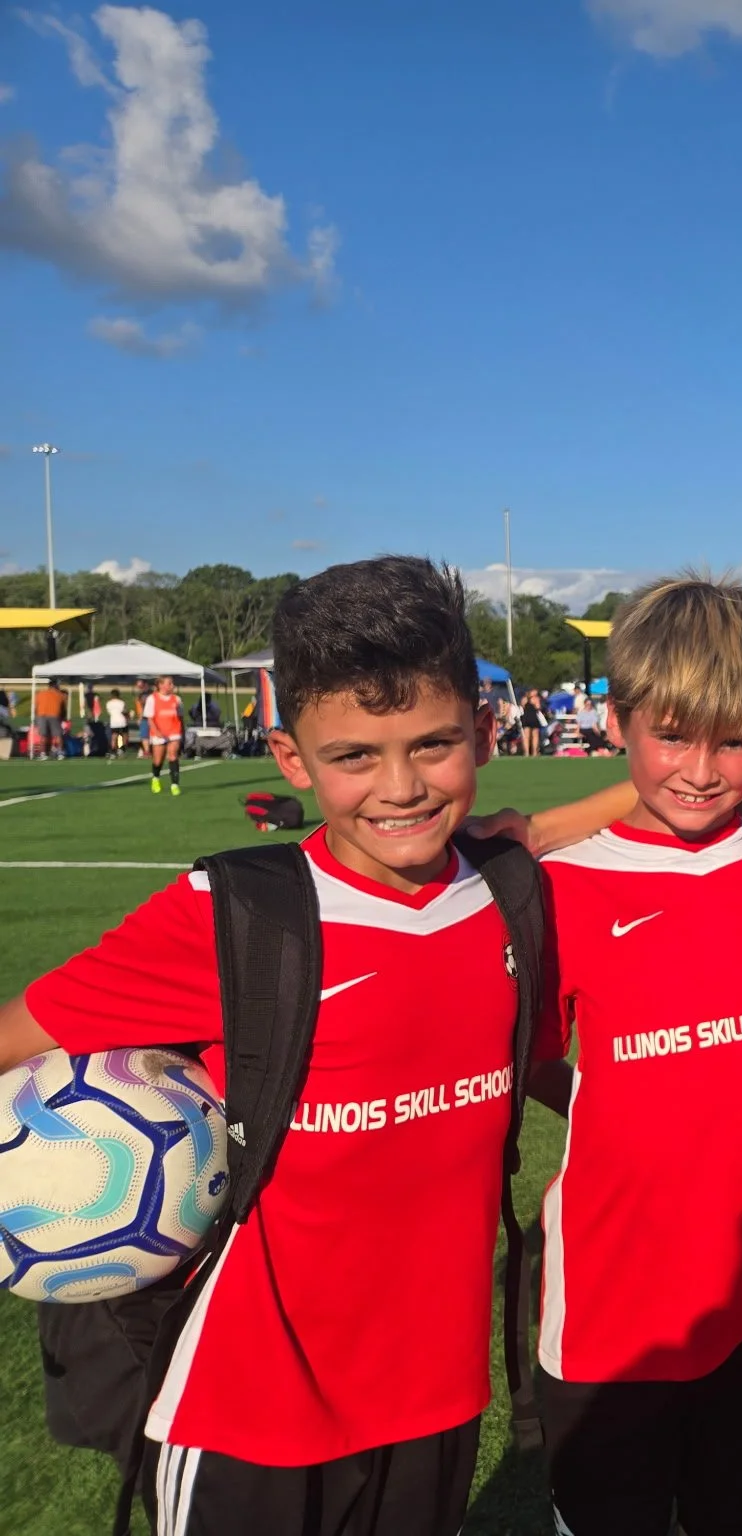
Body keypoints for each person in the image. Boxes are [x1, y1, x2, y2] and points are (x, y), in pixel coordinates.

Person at [0, 557, 522, 1536]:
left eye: (434, 745)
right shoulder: (233, 918)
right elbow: (16, 1037)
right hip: (248, 1408)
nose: (401, 787)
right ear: (290, 758)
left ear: (483, 734)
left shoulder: (513, 901)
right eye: (355, 756)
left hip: (436, 1395)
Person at [520, 575, 742, 1535]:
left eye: (735, 740)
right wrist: (626, 1105)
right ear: (618, 720)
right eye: (671, 735)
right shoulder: (560, 885)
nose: (702, 771)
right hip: (613, 1300)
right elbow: (531, 1058)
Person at [142, 676, 185, 795]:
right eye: (169, 683)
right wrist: (156, 731)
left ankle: (175, 785)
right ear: (160, 685)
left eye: (172, 683)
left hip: (174, 732)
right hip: (159, 733)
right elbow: (150, 718)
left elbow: (181, 717)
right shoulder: (152, 698)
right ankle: (156, 778)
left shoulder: (177, 699)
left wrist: (182, 732)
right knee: (157, 760)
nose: (172, 686)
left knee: (173, 756)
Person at [31, 678, 65, 761]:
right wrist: (62, 718)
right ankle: (60, 753)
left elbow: (36, 706)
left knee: (43, 735)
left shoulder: (41, 694)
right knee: (58, 735)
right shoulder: (60, 695)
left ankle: (43, 753)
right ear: (56, 685)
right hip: (54, 715)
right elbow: (63, 709)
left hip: (42, 715)